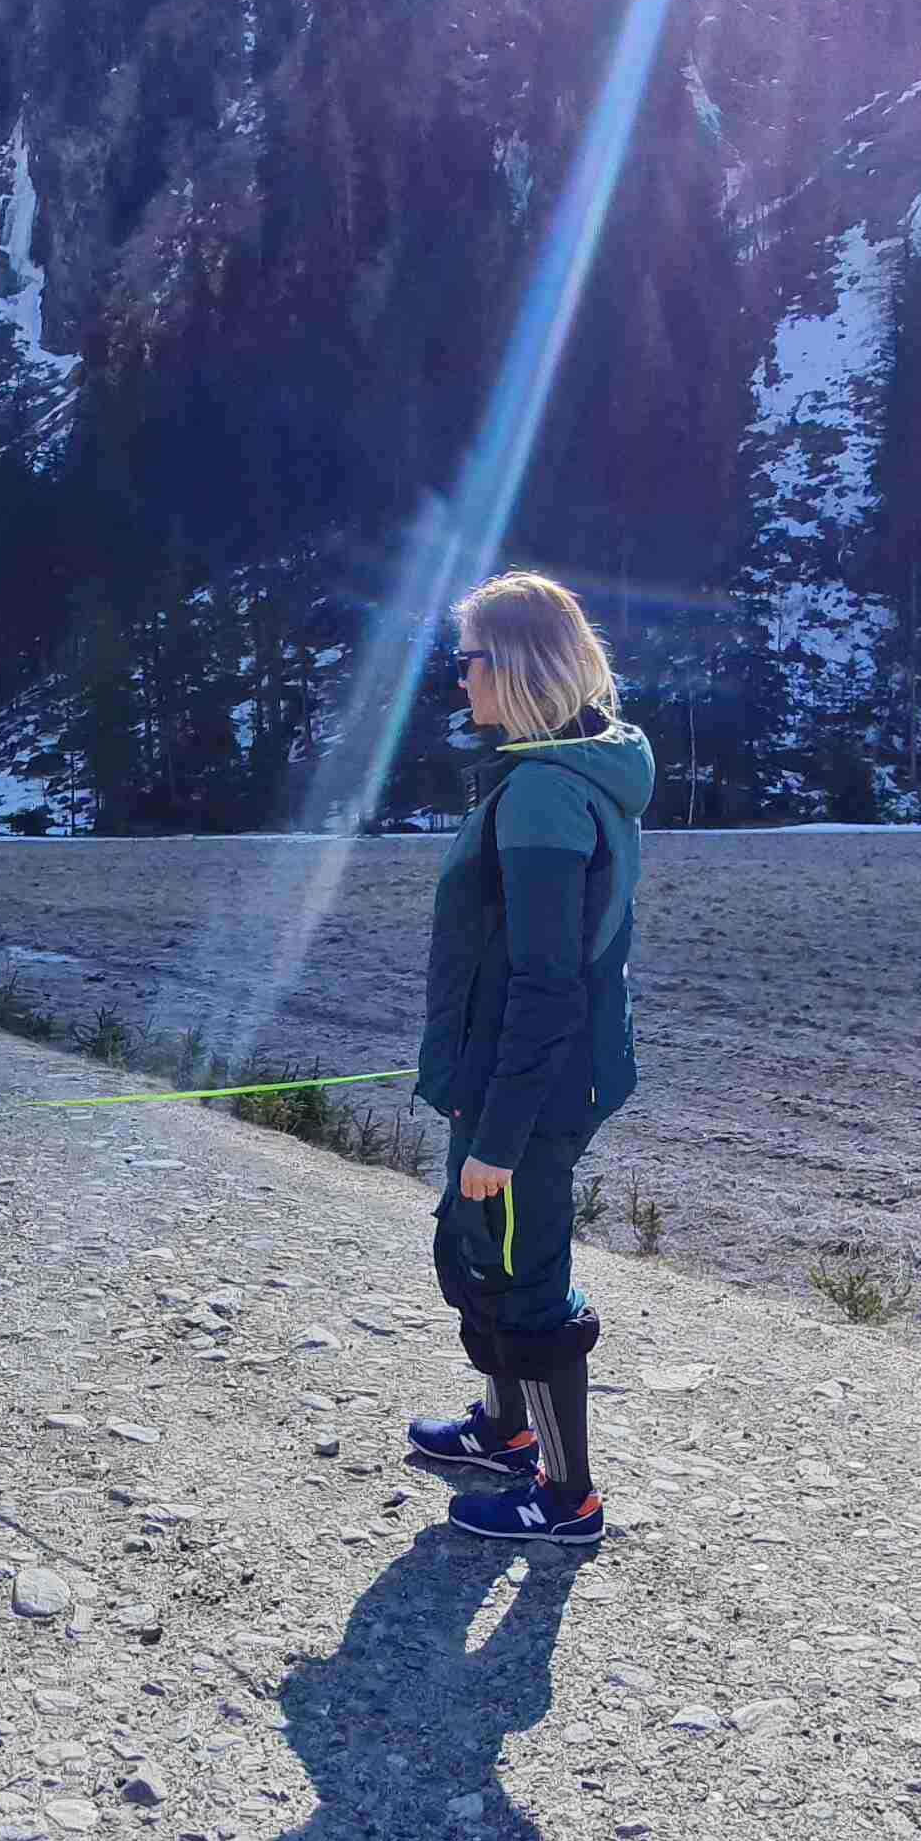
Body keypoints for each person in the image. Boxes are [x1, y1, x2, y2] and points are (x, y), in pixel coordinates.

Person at [397, 572, 651, 1545]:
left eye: (466, 661)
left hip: (528, 1090)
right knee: (479, 1249)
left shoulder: (545, 793)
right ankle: (504, 1434)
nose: (458, 680)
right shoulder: (566, 771)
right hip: (522, 1075)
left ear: (511, 667)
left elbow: (546, 984)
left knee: (522, 1277)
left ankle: (567, 1497)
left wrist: (498, 1137)